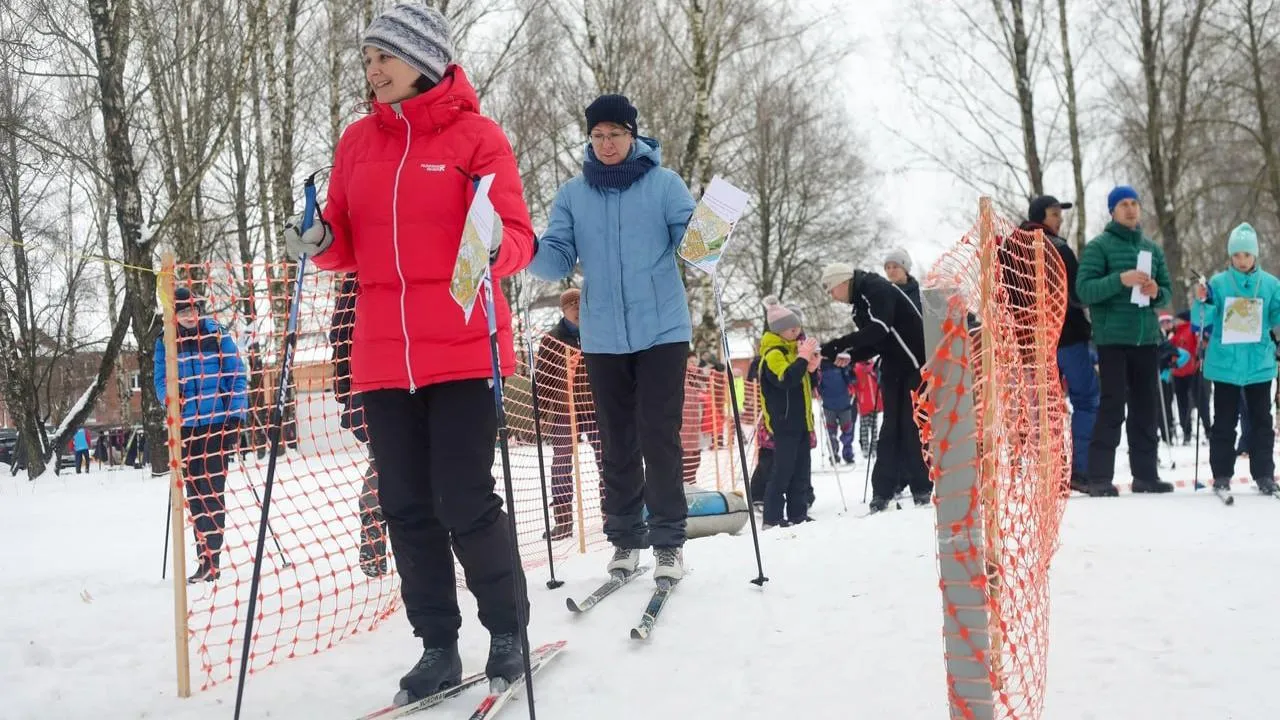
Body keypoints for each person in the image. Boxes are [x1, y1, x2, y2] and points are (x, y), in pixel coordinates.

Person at [281, 3, 535, 698]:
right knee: (404, 502)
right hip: (383, 355)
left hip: (461, 345)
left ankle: (508, 630)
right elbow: (346, 246)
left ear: (423, 57)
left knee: (464, 497)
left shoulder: (477, 137)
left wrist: (493, 248)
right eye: (366, 60)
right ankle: (437, 646)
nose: (372, 71)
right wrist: (319, 240)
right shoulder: (357, 142)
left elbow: (519, 238)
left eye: (383, 57)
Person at [526, 92, 696, 583]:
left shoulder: (665, 185)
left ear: (633, 135)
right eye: (598, 135)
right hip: (601, 336)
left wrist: (712, 227)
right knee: (614, 439)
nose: (606, 144)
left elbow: (694, 247)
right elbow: (557, 258)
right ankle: (624, 540)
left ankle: (668, 542)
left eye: (615, 134)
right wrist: (519, 247)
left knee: (657, 434)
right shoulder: (573, 194)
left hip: (662, 329)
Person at [1075, 186, 1174, 496]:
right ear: (1112, 211)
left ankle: (1145, 476)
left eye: (1134, 203)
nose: (1131, 209)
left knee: (1147, 408)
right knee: (1112, 406)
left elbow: (1168, 292)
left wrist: (1157, 291)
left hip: (1146, 339)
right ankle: (1099, 478)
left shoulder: (1152, 249)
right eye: (1123, 205)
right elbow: (1083, 291)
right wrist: (1120, 280)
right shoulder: (1098, 247)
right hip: (1112, 339)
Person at [819, 262, 931, 512]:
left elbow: (881, 327)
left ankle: (921, 487)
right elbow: (876, 342)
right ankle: (884, 490)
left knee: (910, 427)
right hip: (892, 366)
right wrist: (851, 354)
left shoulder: (875, 288)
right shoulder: (859, 303)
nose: (832, 297)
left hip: (914, 365)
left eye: (831, 290)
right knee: (891, 429)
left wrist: (839, 344)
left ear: (841, 281)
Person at [154, 287, 248, 583]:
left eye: (193, 310)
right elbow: (159, 379)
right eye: (183, 312)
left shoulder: (217, 335)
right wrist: (170, 394)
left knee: (212, 492)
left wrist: (234, 417)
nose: (190, 317)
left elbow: (236, 375)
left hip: (216, 426)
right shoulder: (166, 341)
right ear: (174, 315)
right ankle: (203, 558)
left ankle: (213, 558)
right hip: (186, 429)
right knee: (194, 493)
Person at [1192, 222, 1280, 495]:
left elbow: (1275, 317)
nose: (1241, 261)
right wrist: (1201, 300)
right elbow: (1200, 320)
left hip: (1258, 363)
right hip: (1226, 365)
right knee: (1224, 421)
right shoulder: (1218, 283)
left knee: (1262, 420)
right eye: (1237, 255)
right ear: (1230, 256)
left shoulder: (1270, 284)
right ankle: (1221, 473)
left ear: (1255, 255)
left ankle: (1264, 473)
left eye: (1246, 255)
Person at [1020, 195, 1097, 493]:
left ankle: (1050, 473)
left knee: (1046, 406)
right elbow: (1079, 294)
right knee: (1086, 399)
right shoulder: (1059, 248)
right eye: (1054, 214)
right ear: (1040, 216)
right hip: (1067, 337)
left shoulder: (1010, 250)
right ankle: (1081, 469)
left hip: (1030, 344)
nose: (1060, 219)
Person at [329, 274, 388, 578]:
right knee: (383, 470)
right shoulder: (352, 285)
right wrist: (344, 390)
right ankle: (374, 549)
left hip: (406, 390)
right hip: (369, 396)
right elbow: (340, 340)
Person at [533, 288, 602, 541]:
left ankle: (613, 514)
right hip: (565, 408)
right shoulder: (552, 339)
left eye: (580, 304)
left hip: (596, 408)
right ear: (563, 310)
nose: (577, 309)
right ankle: (563, 521)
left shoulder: (597, 332)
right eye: (572, 305)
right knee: (561, 464)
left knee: (609, 460)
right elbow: (542, 378)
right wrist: (541, 410)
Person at [757, 298, 819, 528]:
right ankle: (772, 517)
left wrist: (811, 369)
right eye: (792, 328)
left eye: (798, 327)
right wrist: (802, 359)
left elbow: (803, 383)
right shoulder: (773, 353)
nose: (798, 331)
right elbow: (785, 379)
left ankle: (798, 513)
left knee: (801, 471)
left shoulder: (794, 351)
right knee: (782, 471)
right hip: (783, 423)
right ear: (779, 330)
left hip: (801, 421)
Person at [1170, 310, 1210, 443]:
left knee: (1199, 401)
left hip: (1191, 371)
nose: (1175, 321)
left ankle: (1207, 429)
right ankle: (1187, 431)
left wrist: (1198, 357)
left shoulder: (1190, 330)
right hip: (1179, 372)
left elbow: (1198, 347)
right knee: (1184, 403)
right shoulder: (1175, 333)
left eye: (1177, 319)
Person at [817, 356, 856, 464]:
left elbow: (818, 387)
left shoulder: (823, 369)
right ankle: (842, 454)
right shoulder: (833, 367)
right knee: (844, 430)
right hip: (839, 403)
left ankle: (838, 454)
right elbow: (851, 380)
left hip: (835, 404)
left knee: (836, 431)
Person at [854, 359, 882, 458]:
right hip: (864, 403)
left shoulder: (874, 367)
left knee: (873, 428)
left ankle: (873, 448)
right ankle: (865, 448)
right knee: (865, 428)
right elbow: (855, 385)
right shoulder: (857, 368)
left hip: (873, 402)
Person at [883, 247, 922, 312]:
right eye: (887, 267)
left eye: (895, 267)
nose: (891, 271)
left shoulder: (920, 294)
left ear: (905, 269)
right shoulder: (884, 294)